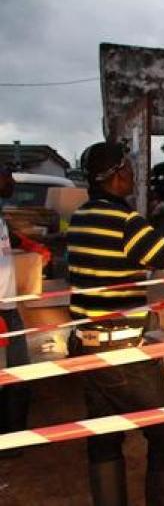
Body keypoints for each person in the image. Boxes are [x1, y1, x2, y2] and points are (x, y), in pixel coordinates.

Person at [67, 141, 164, 505]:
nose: (133, 175)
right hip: (119, 349)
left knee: (105, 433)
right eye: (129, 169)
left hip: (84, 341)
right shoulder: (126, 221)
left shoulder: (81, 216)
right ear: (114, 176)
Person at [0, 164, 50, 459]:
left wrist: (32, 245)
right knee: (11, 377)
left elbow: (11, 240)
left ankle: (14, 440)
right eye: (6, 174)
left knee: (18, 377)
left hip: (9, 308)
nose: (12, 180)